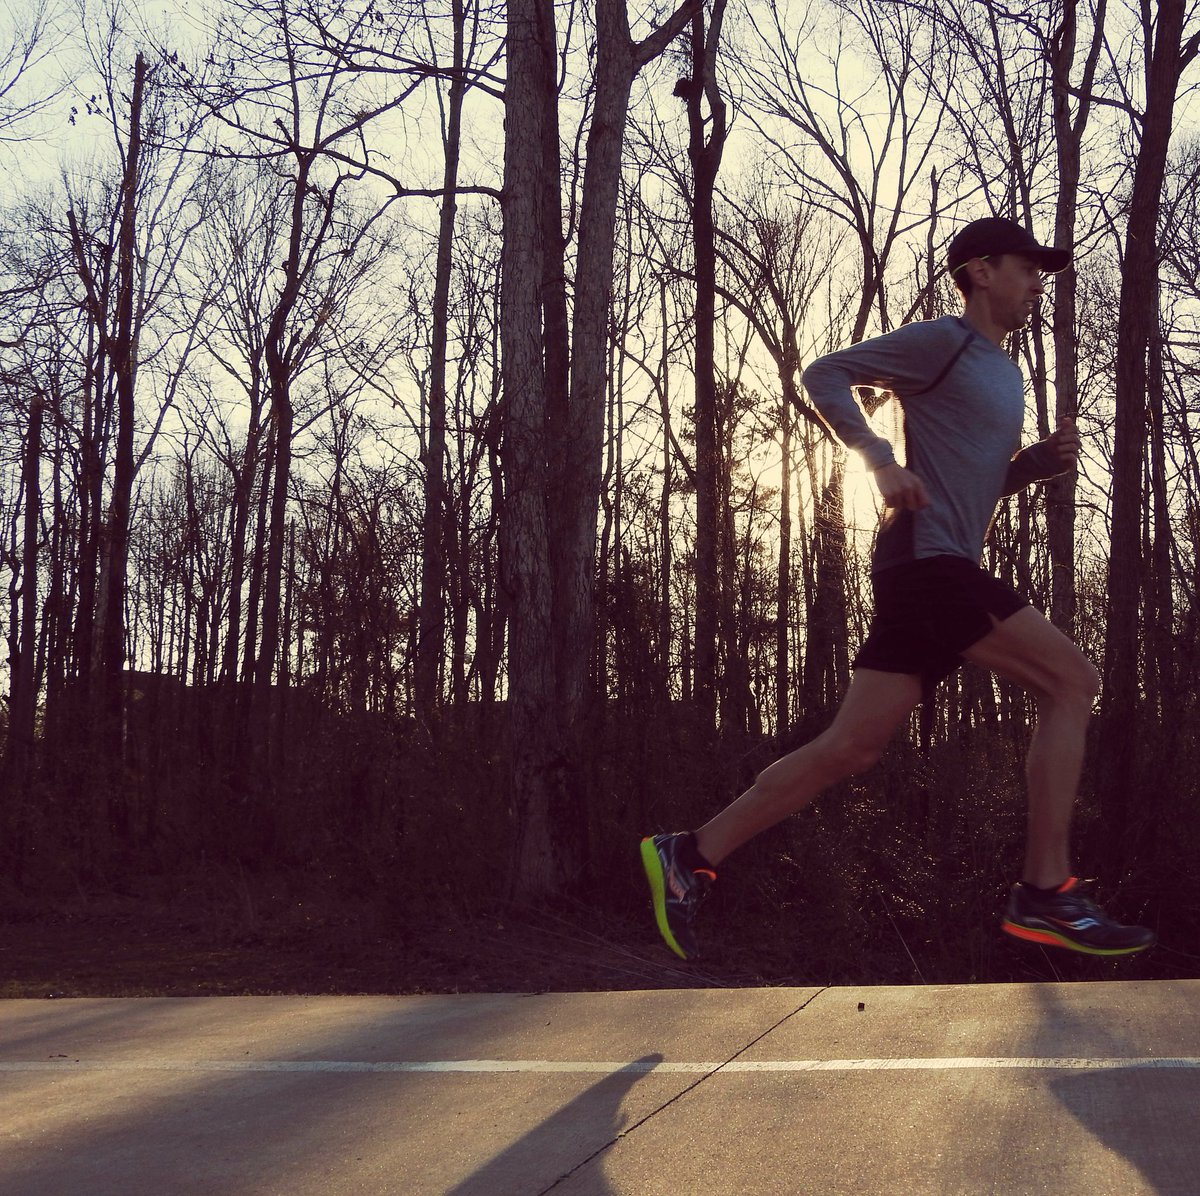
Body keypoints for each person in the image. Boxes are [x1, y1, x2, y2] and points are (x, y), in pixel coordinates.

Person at [640, 216, 1155, 962]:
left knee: (851, 747)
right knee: (1074, 681)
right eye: (1026, 266)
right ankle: (1046, 892)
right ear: (980, 272)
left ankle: (689, 854)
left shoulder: (1005, 372)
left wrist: (1026, 469)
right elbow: (823, 373)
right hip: (926, 563)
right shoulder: (944, 343)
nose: (1039, 281)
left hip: (930, 559)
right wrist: (878, 457)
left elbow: (960, 487)